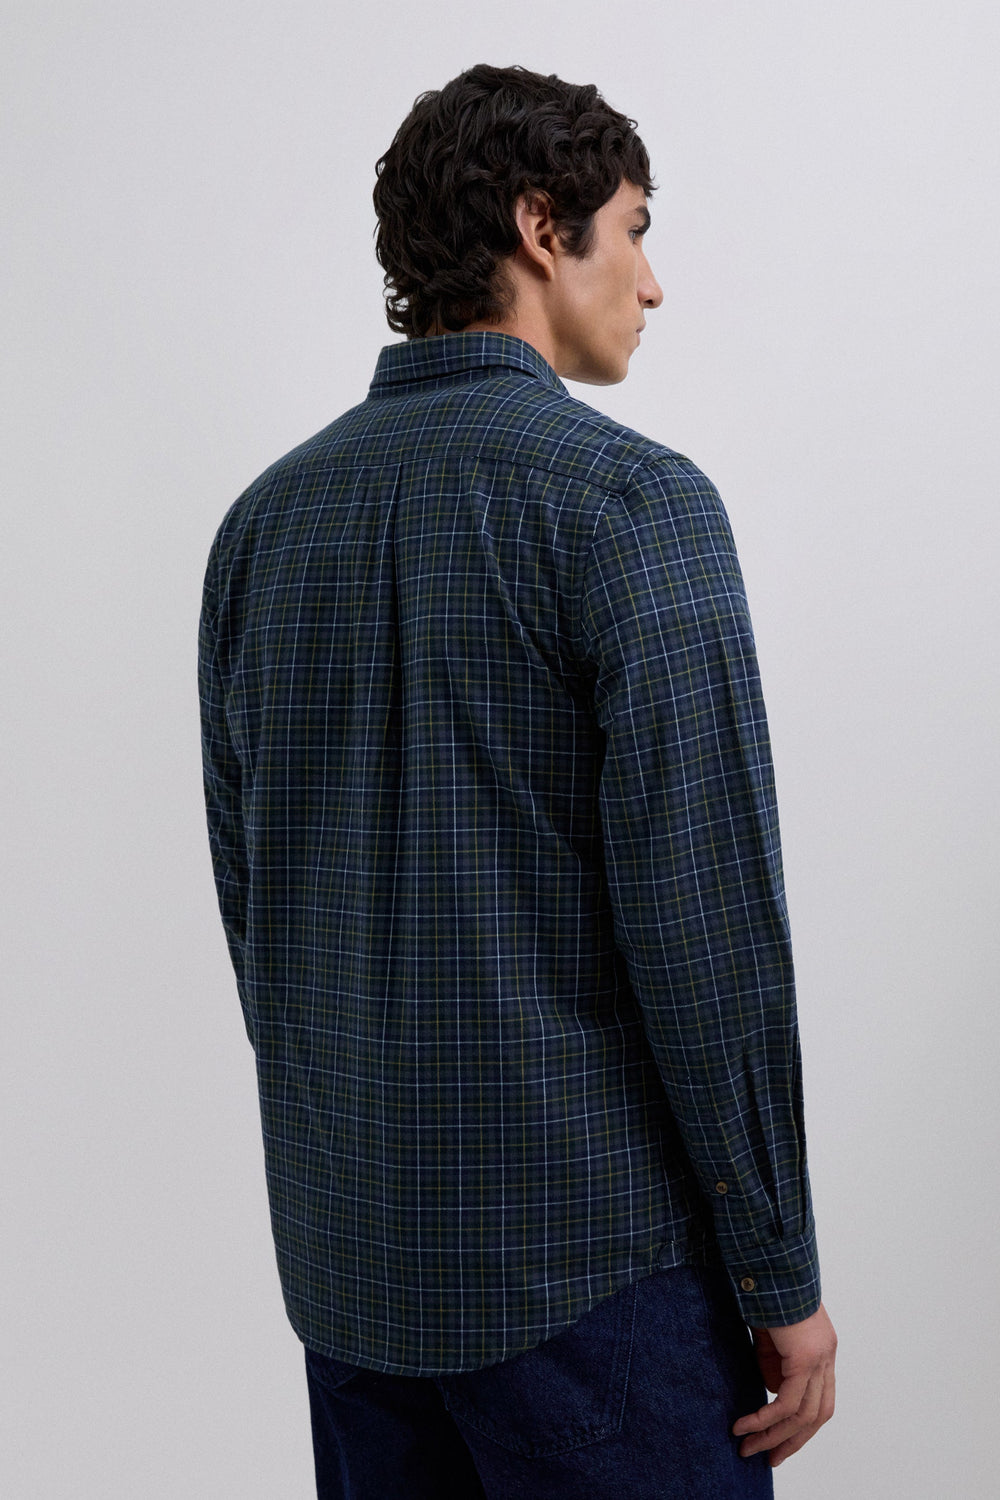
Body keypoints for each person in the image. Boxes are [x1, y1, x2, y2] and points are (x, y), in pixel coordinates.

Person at [198, 62, 836, 1498]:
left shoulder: (261, 529)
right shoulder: (634, 506)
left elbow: (263, 925)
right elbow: (710, 935)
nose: (654, 283)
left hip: (354, 1282)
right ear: (544, 229)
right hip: (593, 1279)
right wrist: (780, 1274)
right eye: (636, 230)